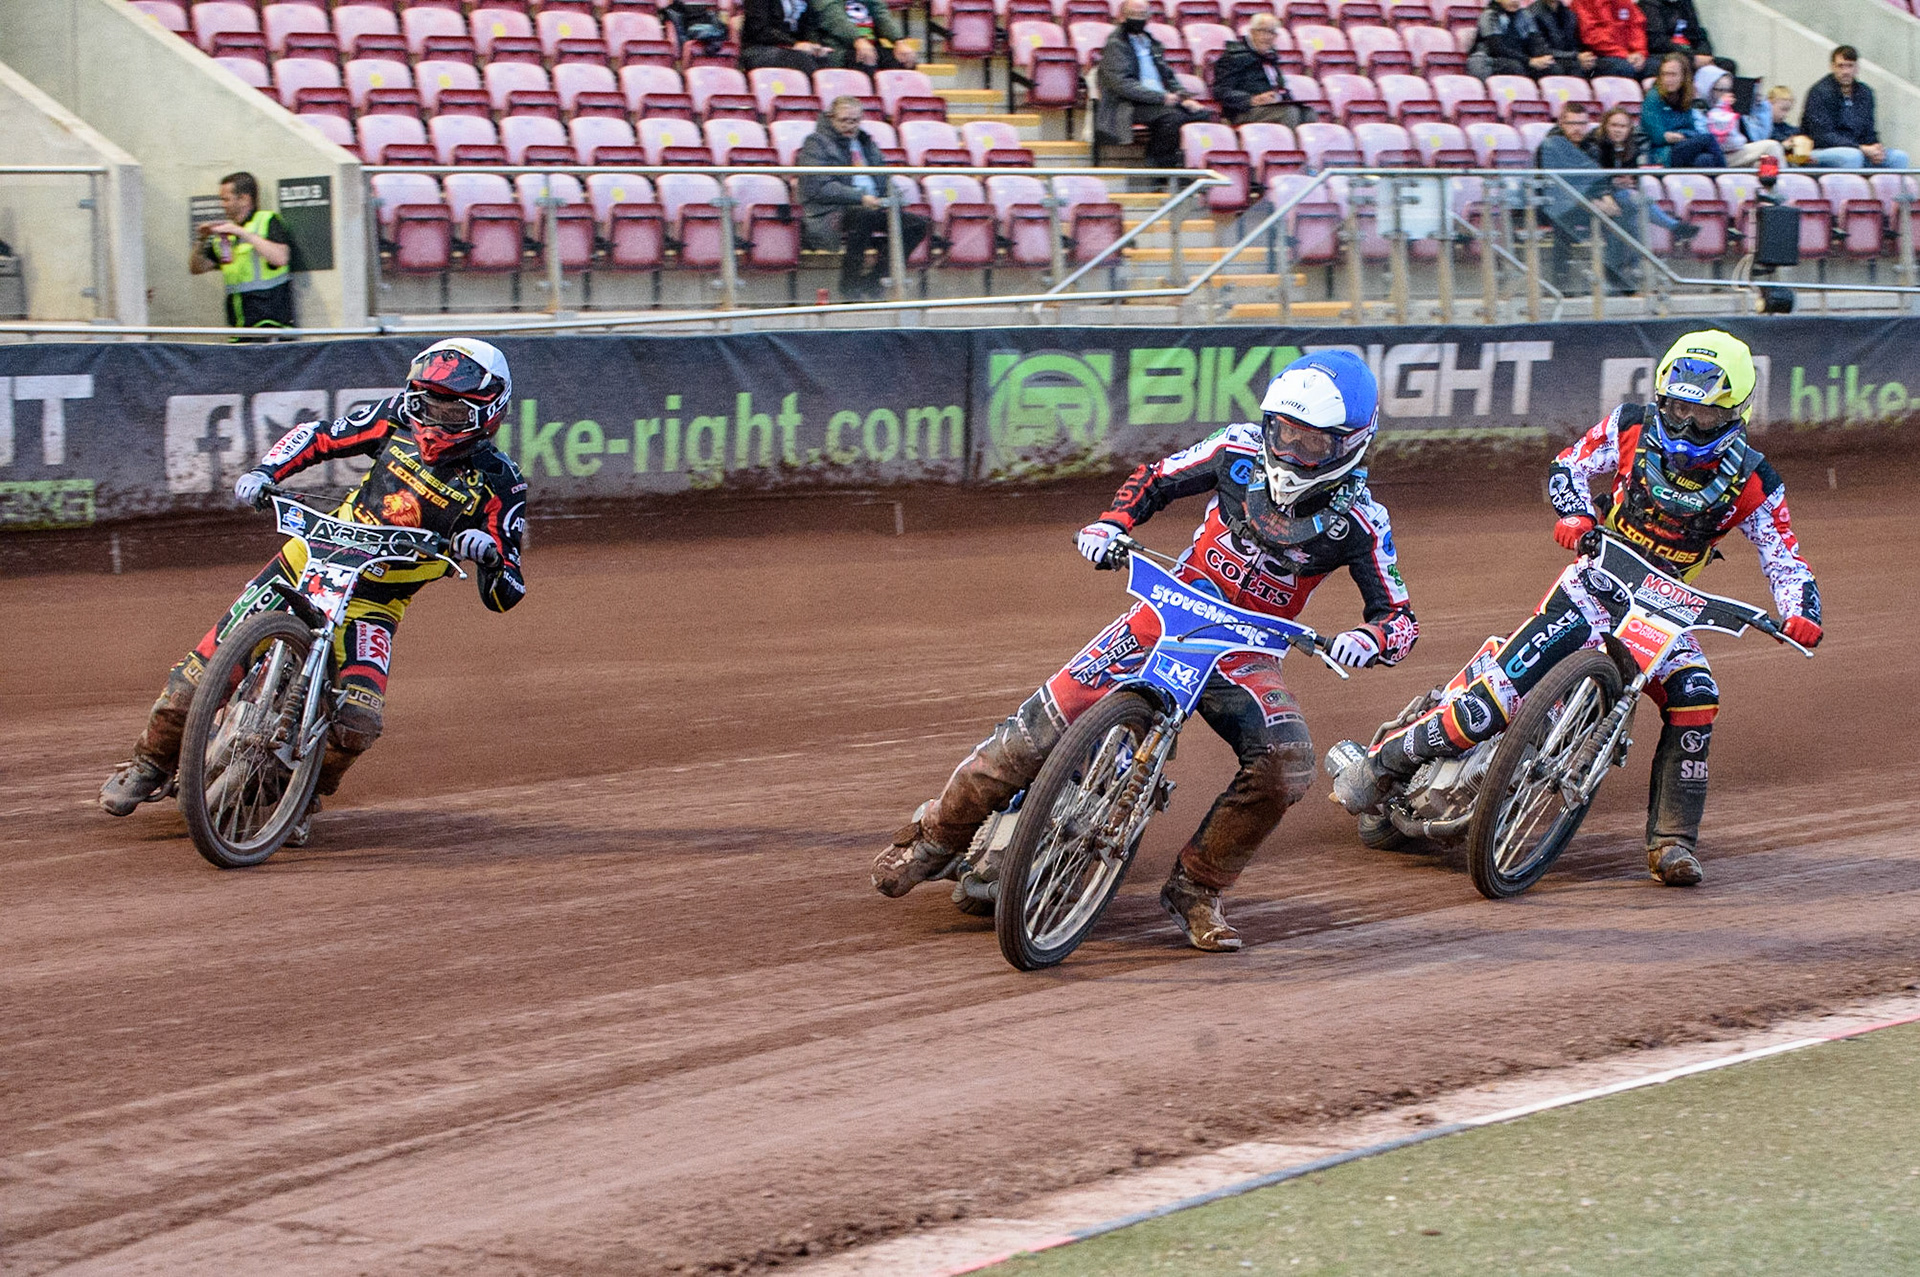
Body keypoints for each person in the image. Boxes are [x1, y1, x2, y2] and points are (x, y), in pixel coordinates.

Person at [873, 352, 1419, 951]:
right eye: (1282, 431)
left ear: (1351, 446)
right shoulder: (1236, 450)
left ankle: (1197, 888)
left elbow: (1398, 619)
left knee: (1287, 764)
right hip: (1163, 616)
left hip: (1245, 652)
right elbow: (1158, 477)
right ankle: (935, 838)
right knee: (1032, 731)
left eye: (1312, 442)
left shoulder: (1363, 521)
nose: (1291, 450)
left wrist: (1368, 640)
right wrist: (1113, 523)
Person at [1332, 330, 1822, 889]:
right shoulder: (1631, 425)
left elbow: (1786, 560)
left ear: (1735, 413)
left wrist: (1800, 611)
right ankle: (1380, 766)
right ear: (1661, 400)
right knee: (1489, 704)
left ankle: (1673, 844)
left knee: (1697, 699)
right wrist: (1576, 516)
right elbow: (1570, 464)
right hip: (1596, 585)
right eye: (1677, 408)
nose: (1685, 425)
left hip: (1669, 613)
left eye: (1702, 415)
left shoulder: (1758, 481)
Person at [98, 340, 530, 840]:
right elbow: (319, 436)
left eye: (451, 409)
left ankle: (300, 796)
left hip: (374, 603)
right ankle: (149, 763)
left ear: (489, 411)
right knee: (199, 672)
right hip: (307, 562)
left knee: (357, 722)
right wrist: (265, 472)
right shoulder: (395, 417)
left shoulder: (502, 482)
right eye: (427, 404)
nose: (433, 419)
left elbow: (509, 590)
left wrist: (491, 555)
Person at [797, 96, 930, 300]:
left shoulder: (865, 142)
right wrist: (859, 197)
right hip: (833, 210)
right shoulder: (816, 143)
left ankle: (874, 280)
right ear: (831, 118)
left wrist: (893, 195)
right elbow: (819, 187)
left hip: (872, 206)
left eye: (855, 121)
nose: (850, 126)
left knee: (917, 225)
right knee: (864, 216)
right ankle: (849, 286)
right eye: (844, 121)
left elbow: (882, 176)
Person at [1096, 0, 1214, 172]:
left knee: (1202, 114)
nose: (1138, 19)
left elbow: (1168, 75)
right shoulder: (1115, 44)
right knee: (1172, 118)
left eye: (1142, 15)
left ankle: (1190, 167)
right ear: (1121, 17)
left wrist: (1185, 97)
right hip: (1127, 105)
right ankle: (1159, 169)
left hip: (1159, 101)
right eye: (1133, 14)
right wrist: (1161, 97)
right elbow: (1123, 85)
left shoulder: (1150, 42)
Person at [191, 171, 293, 340]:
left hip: (271, 326)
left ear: (245, 199)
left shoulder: (267, 220)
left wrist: (242, 233)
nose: (222, 205)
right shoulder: (224, 235)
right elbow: (197, 268)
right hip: (239, 328)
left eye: (226, 199)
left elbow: (280, 258)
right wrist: (202, 239)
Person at [1803, 45, 1911, 170]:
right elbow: (1822, 136)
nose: (1846, 71)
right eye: (1841, 66)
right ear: (1832, 67)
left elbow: (1869, 131)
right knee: (1853, 157)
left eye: (1850, 66)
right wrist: (1860, 148)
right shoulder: (1819, 92)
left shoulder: (1865, 92)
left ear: (1857, 68)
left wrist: (1876, 148)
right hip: (1821, 151)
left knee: (1899, 157)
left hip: (1860, 149)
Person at [1211, 14, 1311, 127]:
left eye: (1272, 33)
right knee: (1289, 112)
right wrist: (1252, 99)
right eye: (1263, 31)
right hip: (1244, 110)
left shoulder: (1271, 57)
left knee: (1308, 113)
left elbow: (1280, 87)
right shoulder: (1234, 56)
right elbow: (1220, 91)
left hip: (1270, 108)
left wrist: (1283, 97)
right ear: (1253, 32)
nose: (1268, 37)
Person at [1641, 52, 1725, 168]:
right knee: (1708, 139)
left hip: (1684, 148)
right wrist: (1681, 136)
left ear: (1683, 76)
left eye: (1673, 75)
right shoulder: (1653, 97)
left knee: (1705, 160)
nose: (1668, 79)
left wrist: (1681, 135)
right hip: (1663, 154)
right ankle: (1725, 174)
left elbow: (1691, 130)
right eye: (1664, 74)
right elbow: (1658, 137)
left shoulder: (1684, 97)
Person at [1696, 66, 1784, 167]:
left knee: (1760, 165)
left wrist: (1759, 106)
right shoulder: (1699, 109)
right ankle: (1786, 182)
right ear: (1707, 89)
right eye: (1721, 90)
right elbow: (1710, 140)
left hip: (1736, 154)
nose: (1727, 94)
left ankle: (1780, 182)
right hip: (1715, 156)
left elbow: (1760, 136)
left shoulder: (1734, 109)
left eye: (1730, 90)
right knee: (1772, 146)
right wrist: (1720, 109)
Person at [808, 0, 916, 69]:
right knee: (864, 58)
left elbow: (881, 15)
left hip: (871, 48)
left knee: (905, 58)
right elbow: (834, 19)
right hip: (839, 50)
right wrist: (858, 40)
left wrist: (899, 41)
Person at [740, 0, 832, 72]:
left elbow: (809, 27)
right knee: (803, 61)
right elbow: (759, 30)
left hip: (792, 50)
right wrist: (794, 44)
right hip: (759, 49)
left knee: (823, 60)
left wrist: (814, 47)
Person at [1467, 0, 1551, 80]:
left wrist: (1542, 57)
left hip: (1520, 58)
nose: (1514, 1)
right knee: (1515, 67)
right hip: (1490, 59)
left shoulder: (1525, 15)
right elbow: (1497, 48)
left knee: (1550, 68)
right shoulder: (1489, 15)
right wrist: (1529, 61)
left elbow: (1535, 41)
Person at [1570, 0, 1647, 79]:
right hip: (1597, 56)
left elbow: (1637, 28)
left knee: (1654, 67)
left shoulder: (1625, 2)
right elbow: (1591, 37)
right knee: (1625, 68)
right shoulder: (1582, 2)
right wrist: (1624, 54)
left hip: (1627, 55)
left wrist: (1639, 53)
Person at [1640, 0, 1716, 71]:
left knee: (1725, 65)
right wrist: (1692, 57)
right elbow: (1657, 41)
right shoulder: (1649, 4)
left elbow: (1698, 34)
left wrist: (1704, 53)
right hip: (1665, 55)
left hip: (1692, 54)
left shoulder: (1685, 2)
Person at [1531, 0, 1596, 79]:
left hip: (1567, 58)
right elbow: (1540, 50)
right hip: (1545, 59)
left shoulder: (1569, 14)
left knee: (1598, 66)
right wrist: (1575, 56)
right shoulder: (1533, 13)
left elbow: (1574, 44)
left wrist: (1584, 57)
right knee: (1568, 68)